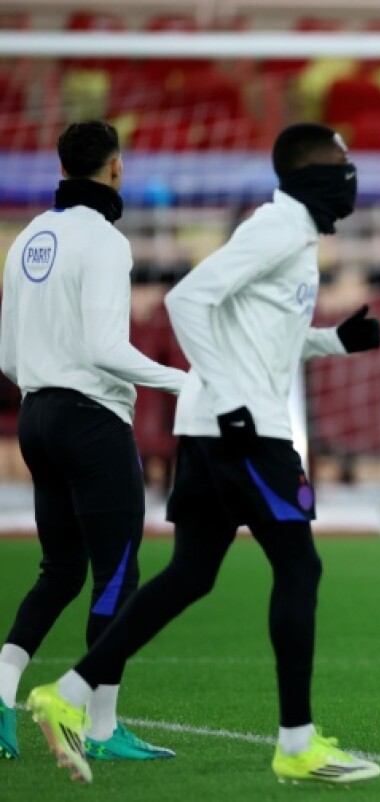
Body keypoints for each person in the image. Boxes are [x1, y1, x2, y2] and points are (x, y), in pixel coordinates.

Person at [27, 122, 380, 785]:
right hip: (244, 430)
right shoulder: (277, 229)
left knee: (191, 573)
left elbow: (267, 339)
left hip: (217, 428)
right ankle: (297, 744)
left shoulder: (296, 237)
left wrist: (337, 340)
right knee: (299, 568)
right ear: (313, 174)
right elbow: (186, 299)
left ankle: (67, 696)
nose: (351, 175)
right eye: (342, 163)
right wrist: (230, 399)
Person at [0, 120, 184, 763]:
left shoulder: (26, 239)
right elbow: (108, 350)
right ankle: (102, 730)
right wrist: (187, 382)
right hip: (89, 423)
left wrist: (46, 389)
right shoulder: (105, 241)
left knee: (60, 569)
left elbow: (7, 356)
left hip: (36, 418)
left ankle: (1, 691)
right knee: (118, 575)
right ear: (115, 168)